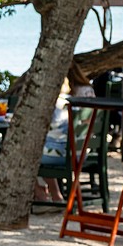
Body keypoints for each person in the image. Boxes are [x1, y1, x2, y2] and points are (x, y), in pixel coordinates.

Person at [35, 63, 96, 202]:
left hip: (67, 152)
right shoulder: (80, 95)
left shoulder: (58, 102)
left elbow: (51, 127)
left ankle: (42, 194)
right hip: (83, 149)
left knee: (29, 156)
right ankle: (54, 195)